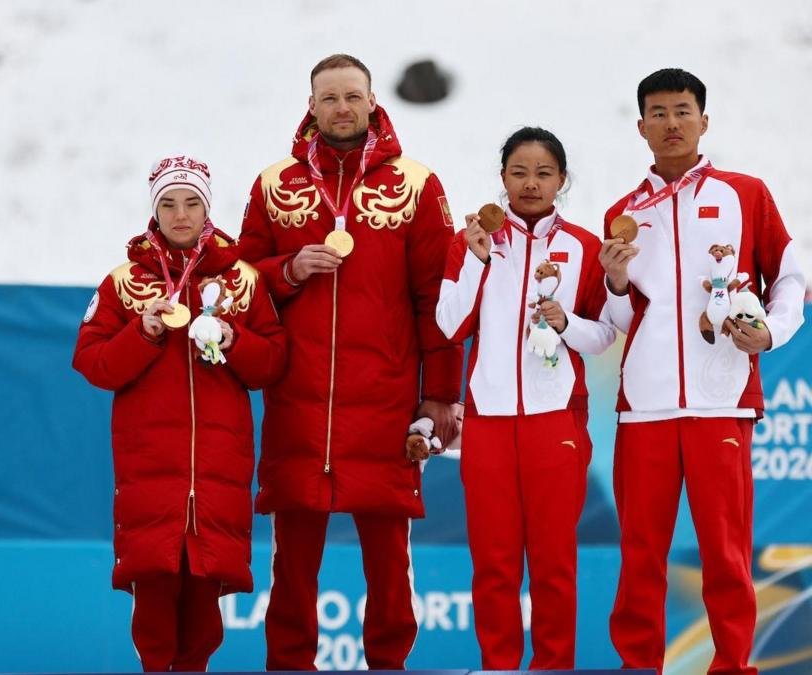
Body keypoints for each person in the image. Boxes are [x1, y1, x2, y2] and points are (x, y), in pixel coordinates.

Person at [237, 53, 463, 670]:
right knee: (293, 559)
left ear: (371, 102)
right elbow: (236, 282)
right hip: (299, 401)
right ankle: (288, 665)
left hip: (385, 401)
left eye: (351, 97)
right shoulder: (273, 183)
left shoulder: (416, 183)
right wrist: (288, 269)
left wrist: (439, 395)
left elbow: (436, 299)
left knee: (389, 559)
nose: (341, 108)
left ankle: (389, 664)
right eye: (328, 98)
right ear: (311, 106)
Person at [601, 68, 805, 675]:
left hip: (721, 401)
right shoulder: (622, 214)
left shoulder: (745, 193)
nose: (671, 123)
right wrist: (613, 279)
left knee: (726, 552)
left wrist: (773, 331)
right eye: (657, 113)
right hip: (645, 405)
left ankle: (734, 665)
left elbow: (790, 275)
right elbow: (616, 318)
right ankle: (639, 665)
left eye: (682, 110)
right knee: (641, 553)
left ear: (703, 120)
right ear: (641, 127)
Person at [74, 155, 287, 672]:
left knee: (203, 608)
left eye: (192, 202)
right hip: (151, 471)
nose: (181, 214)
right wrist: (142, 334)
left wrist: (234, 338)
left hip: (218, 470)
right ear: (154, 211)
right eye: (168, 204)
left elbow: (274, 360)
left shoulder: (241, 280)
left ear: (208, 208)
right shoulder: (125, 282)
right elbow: (92, 362)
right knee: (153, 602)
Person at [436, 127, 615, 669]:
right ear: (502, 178)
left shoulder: (583, 247)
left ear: (561, 180)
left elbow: (604, 334)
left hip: (555, 421)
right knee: (493, 561)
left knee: (553, 560)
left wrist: (567, 324)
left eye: (543, 173)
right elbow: (449, 325)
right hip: (488, 423)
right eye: (519, 172)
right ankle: (499, 666)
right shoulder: (473, 242)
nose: (531, 183)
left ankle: (554, 666)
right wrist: (475, 261)